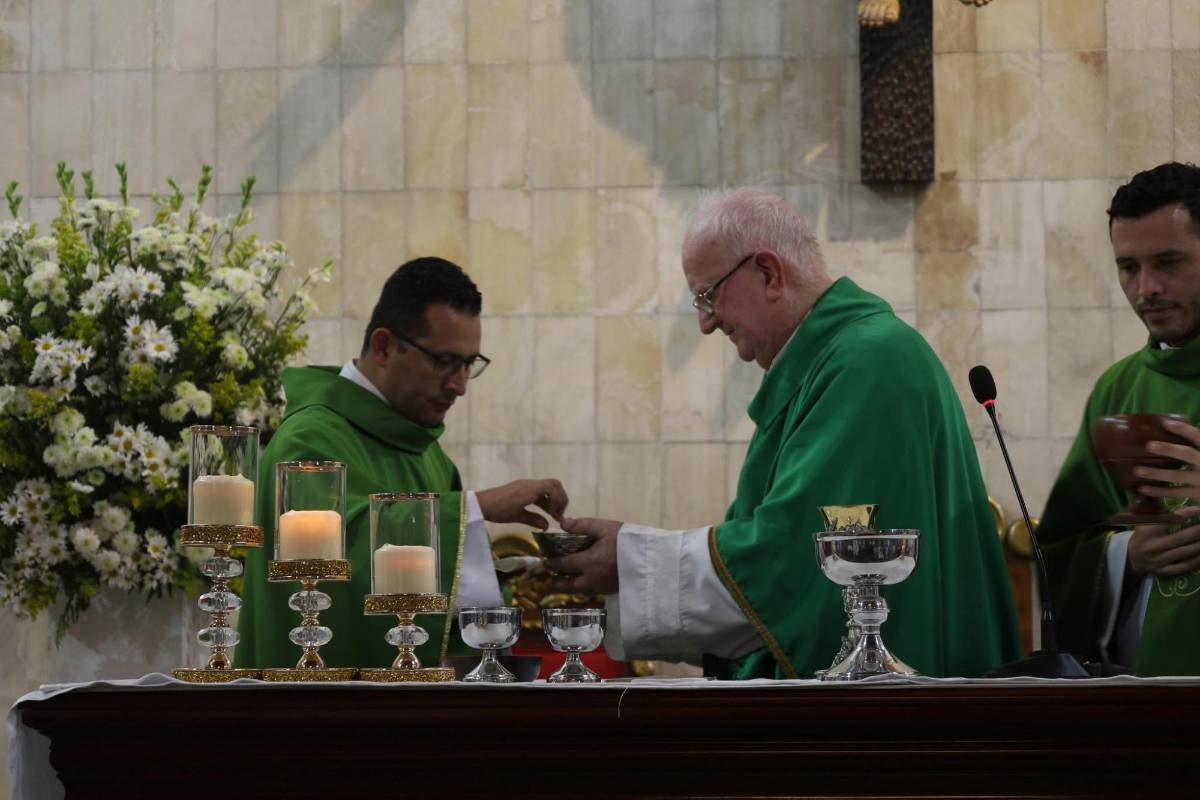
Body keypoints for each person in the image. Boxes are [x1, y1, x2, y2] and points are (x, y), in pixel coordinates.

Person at [553, 188, 1021, 680]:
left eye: (708, 295)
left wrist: (634, 561)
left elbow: (793, 559)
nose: (706, 323)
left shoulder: (866, 362)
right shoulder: (830, 363)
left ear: (769, 273)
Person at [237, 257, 568, 669]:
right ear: (384, 346)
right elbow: (328, 579)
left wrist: (486, 570)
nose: (459, 386)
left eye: (469, 365)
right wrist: (476, 508)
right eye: (445, 362)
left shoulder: (425, 451)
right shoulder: (309, 441)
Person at [1039, 162, 1200, 676]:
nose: (1145, 288)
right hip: (1144, 709)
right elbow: (1062, 552)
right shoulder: (1118, 389)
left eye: (1169, 262)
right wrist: (1126, 557)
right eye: (1128, 267)